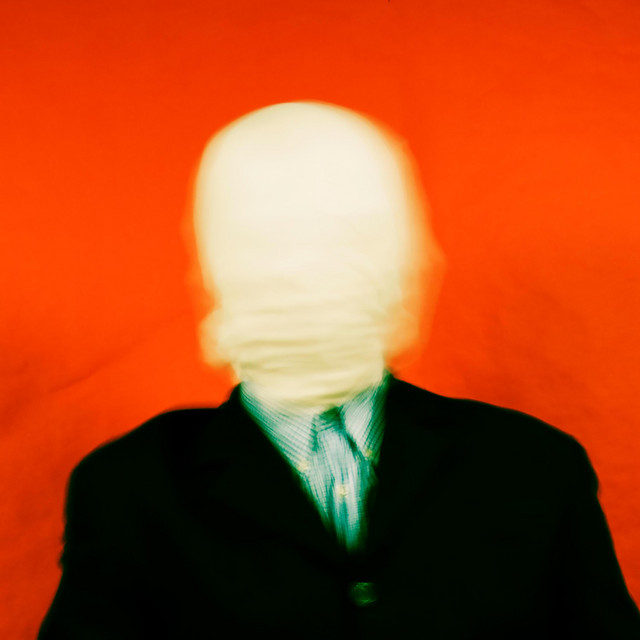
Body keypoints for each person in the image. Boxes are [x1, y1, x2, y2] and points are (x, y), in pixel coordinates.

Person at [38, 101, 640, 639]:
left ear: (406, 255)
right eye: (268, 244)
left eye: (343, 238)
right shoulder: (130, 491)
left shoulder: (534, 469)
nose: (305, 274)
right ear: (212, 266)